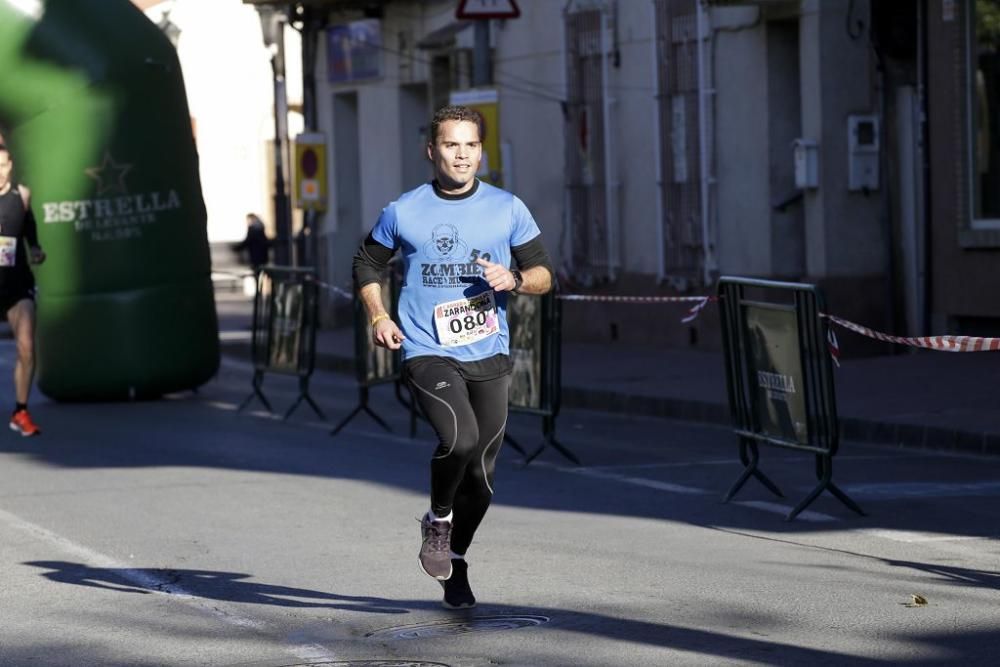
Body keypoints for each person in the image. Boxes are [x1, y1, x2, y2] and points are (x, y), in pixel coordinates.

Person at [353, 105, 554, 609]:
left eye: (470, 145)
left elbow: (544, 275)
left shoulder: (508, 207)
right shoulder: (404, 210)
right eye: (451, 145)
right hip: (427, 348)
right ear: (432, 151)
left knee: (482, 481)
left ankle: (455, 559)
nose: (461, 155)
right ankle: (438, 519)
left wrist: (516, 280)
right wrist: (379, 316)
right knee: (458, 438)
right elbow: (366, 263)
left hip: (488, 351)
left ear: (480, 151)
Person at [0, 144, 46, 436]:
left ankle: (20, 411)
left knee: (27, 348)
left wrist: (36, 249)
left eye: (3, 165)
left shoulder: (23, 195)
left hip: (17, 284)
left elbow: (29, 226)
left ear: (11, 165)